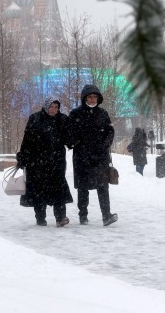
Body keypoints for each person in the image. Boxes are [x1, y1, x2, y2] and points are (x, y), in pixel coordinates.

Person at [16, 97, 73, 227]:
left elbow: (69, 139)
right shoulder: (35, 119)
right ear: (46, 106)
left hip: (56, 161)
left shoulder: (62, 120)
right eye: (51, 107)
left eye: (56, 107)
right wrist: (23, 157)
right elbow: (27, 140)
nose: (54, 110)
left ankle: (60, 218)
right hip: (37, 162)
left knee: (58, 189)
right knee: (39, 191)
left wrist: (73, 139)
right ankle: (40, 218)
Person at [68, 84, 118, 226]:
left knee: (103, 186)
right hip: (82, 157)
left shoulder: (103, 113)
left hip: (100, 157)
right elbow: (70, 134)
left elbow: (110, 131)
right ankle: (83, 215)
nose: (92, 99)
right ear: (85, 98)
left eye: (94, 97)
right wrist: (77, 141)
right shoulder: (75, 114)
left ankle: (106, 215)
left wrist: (106, 143)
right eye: (89, 97)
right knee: (83, 188)